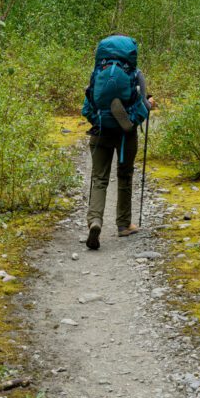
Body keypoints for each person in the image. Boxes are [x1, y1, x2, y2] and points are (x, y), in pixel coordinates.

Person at [82, 35, 155, 250]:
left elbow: (87, 107)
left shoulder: (97, 74)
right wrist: (149, 104)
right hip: (126, 136)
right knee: (124, 175)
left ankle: (95, 221)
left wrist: (99, 120)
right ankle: (124, 225)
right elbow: (142, 106)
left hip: (101, 131)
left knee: (99, 178)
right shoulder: (135, 74)